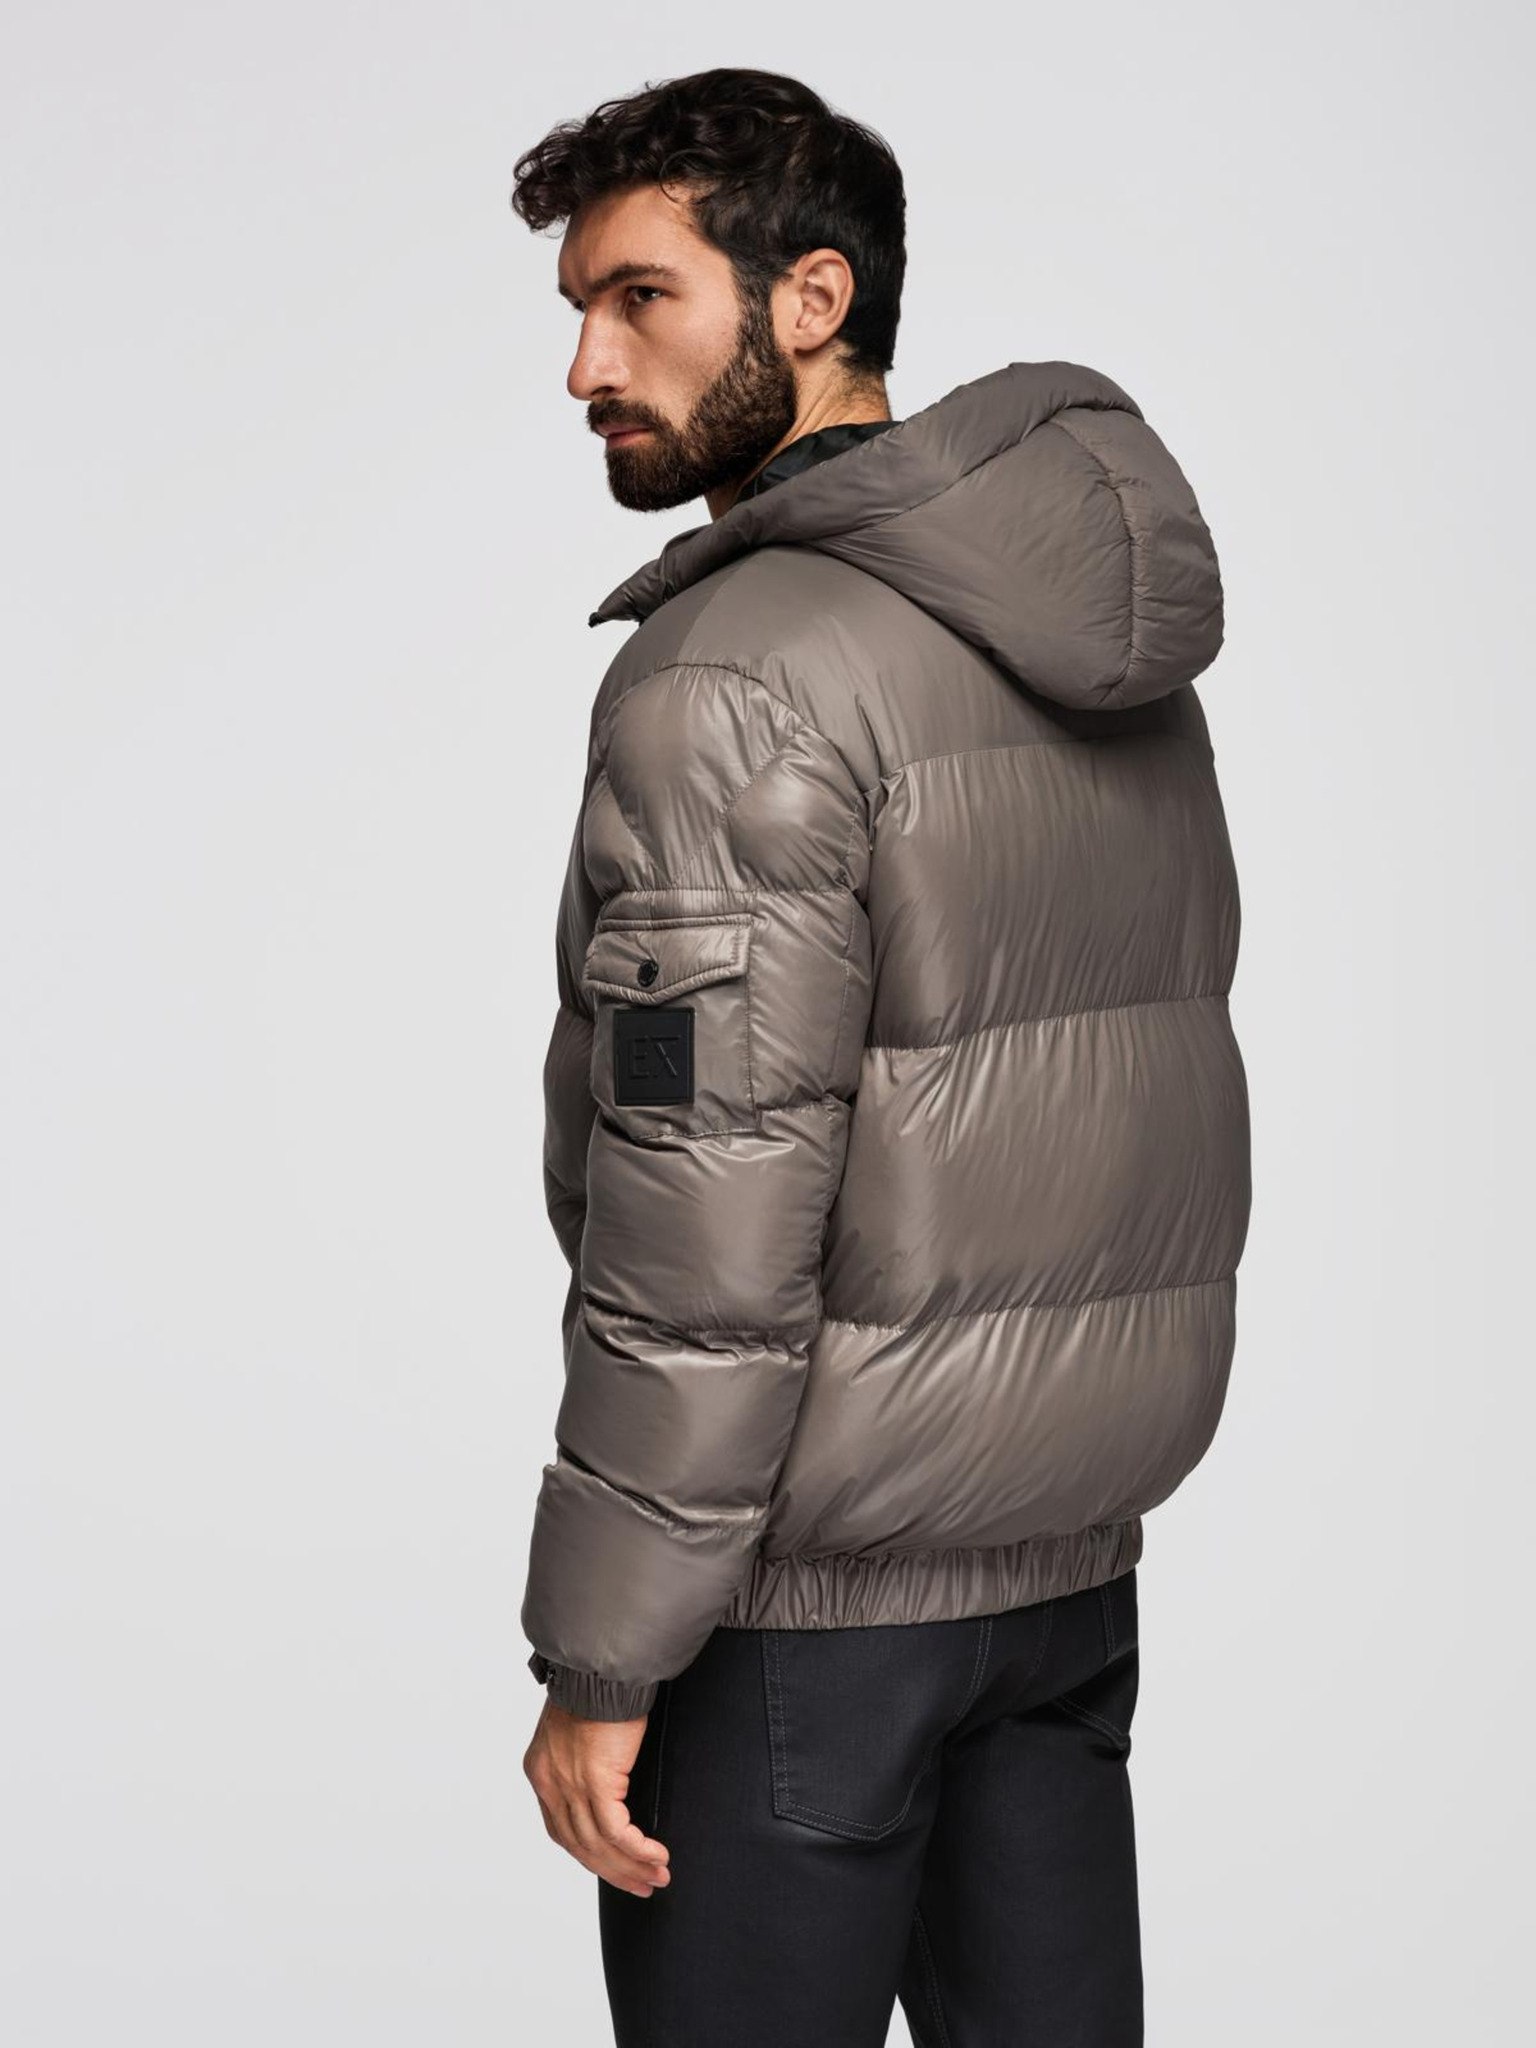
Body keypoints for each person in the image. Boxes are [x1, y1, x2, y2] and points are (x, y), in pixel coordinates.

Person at [509, 65, 1250, 2048]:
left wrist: (604, 1650)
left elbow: (704, 1223)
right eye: (575, 310)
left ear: (812, 299)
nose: (586, 365)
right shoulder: (1087, 645)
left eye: (639, 299)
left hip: (806, 1630)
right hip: (1060, 1583)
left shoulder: (734, 676)